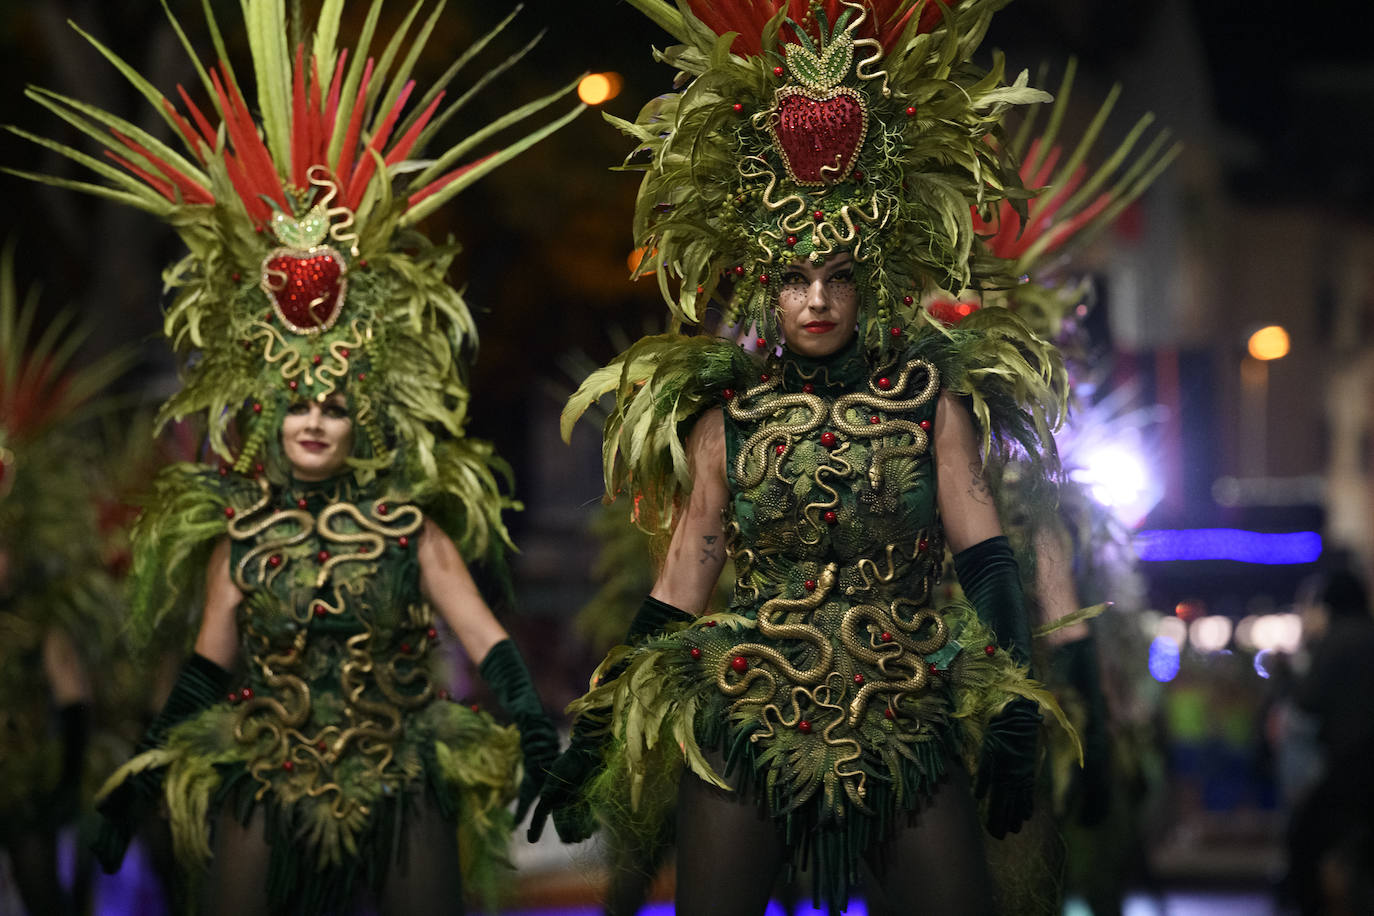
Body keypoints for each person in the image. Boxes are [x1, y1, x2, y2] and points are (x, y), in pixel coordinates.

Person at [11, 2, 583, 913]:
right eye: (299, 407)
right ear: (270, 417)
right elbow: (204, 671)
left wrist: (541, 739)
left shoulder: (410, 528)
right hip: (270, 767)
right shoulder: (241, 540)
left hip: (400, 772)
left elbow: (485, 639)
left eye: (334, 408)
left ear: (363, 422)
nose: (314, 422)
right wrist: (141, 780)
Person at [536, 3, 1077, 913]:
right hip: (751, 712)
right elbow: (681, 579)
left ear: (871, 282)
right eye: (795, 278)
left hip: (904, 710)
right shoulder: (727, 423)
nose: (817, 299)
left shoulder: (931, 408)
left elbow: (987, 562)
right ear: (767, 287)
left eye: (838, 277)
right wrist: (596, 727)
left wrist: (1017, 705)